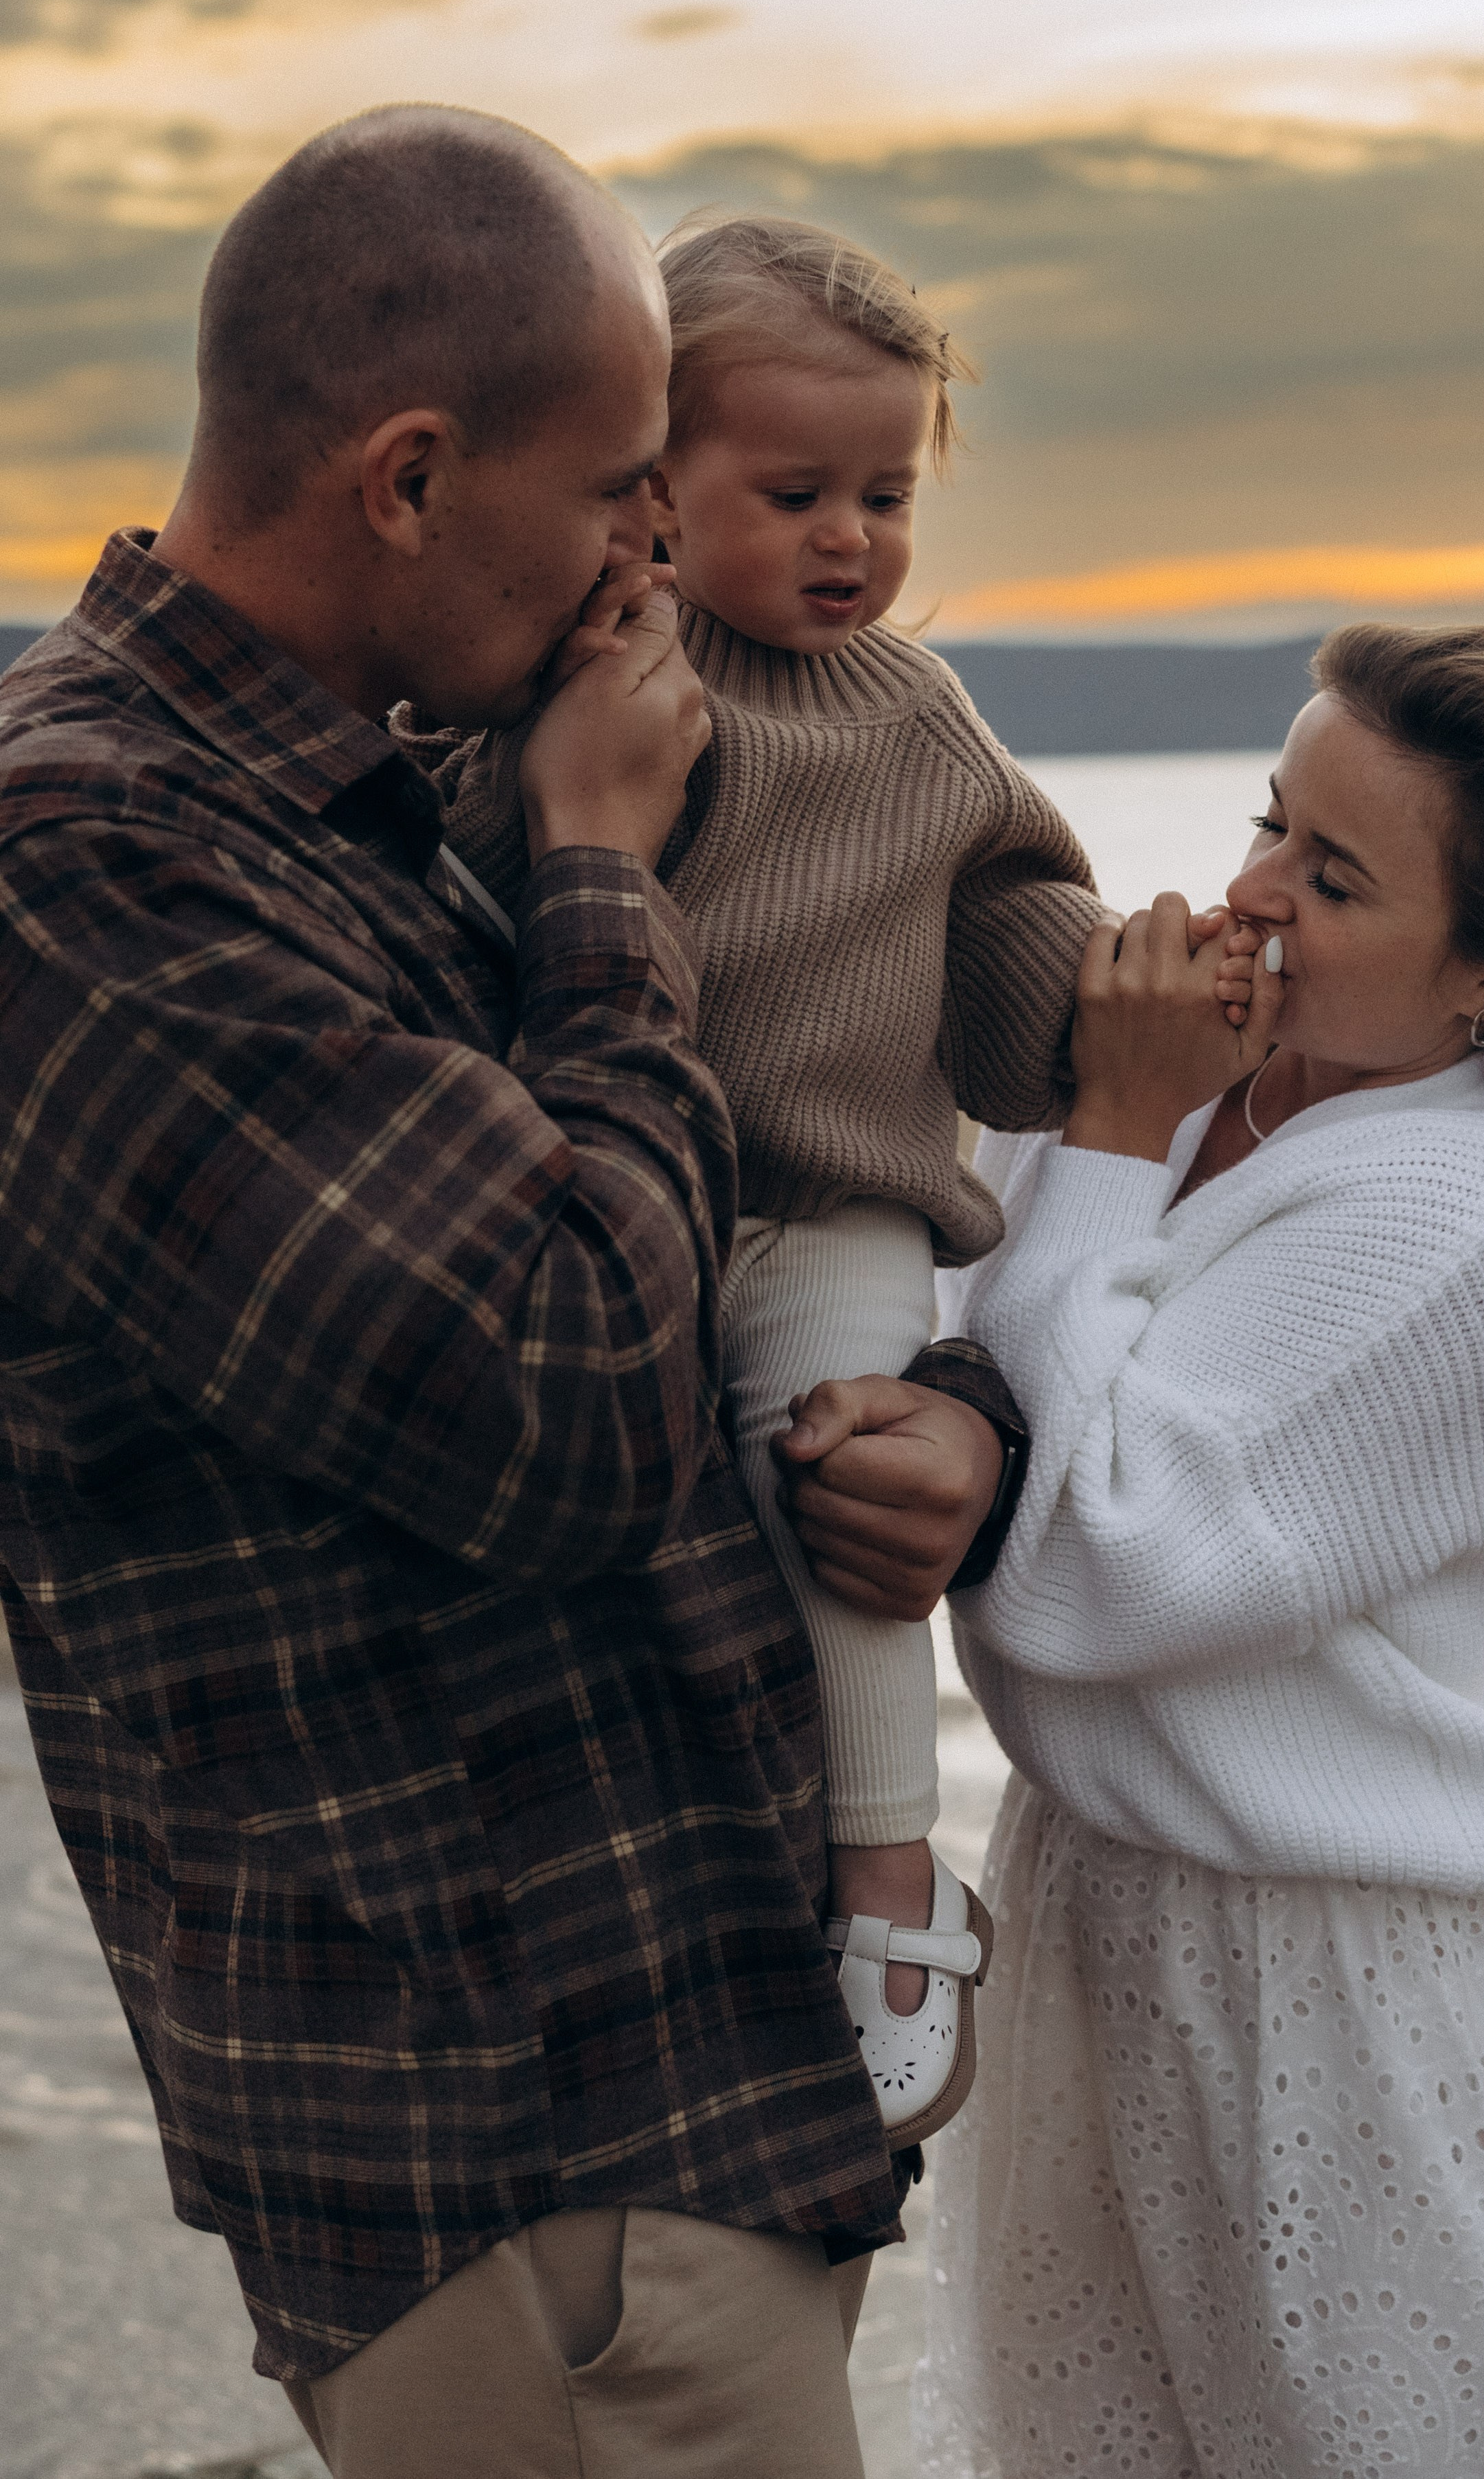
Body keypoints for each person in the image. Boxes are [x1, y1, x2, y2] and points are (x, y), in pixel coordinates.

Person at [0, 105, 1023, 2479]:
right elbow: (566, 1398)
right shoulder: (92, 876)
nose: (639, 568)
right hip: (526, 2166)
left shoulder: (360, 802)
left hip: (669, 2119)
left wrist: (952, 1408)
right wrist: (596, 862)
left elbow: (727, 1210)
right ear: (407, 473)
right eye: (609, 496)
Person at [918, 623, 1484, 2477]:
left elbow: (1074, 1568)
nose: (1249, 895)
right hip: (1099, 1913)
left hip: (1345, 1999)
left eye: (1331, 878)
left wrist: (1103, 1133)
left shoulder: (1463, 1211)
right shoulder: (1199, 1091)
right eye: (1270, 822)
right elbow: (972, 1347)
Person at [431, 212, 1114, 2145]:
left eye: (885, 495)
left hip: (829, 1206)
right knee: (621, 1537)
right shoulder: (594, 671)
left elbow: (1015, 933)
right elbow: (471, 869)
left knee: (833, 1497)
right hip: (601, 1188)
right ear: (652, 486)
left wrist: (1131, 991)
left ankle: (887, 1886)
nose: (848, 538)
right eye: (793, 489)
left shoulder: (916, 718)